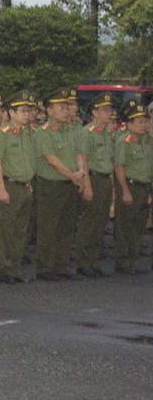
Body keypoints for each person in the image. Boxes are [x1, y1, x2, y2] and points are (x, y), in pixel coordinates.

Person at [33, 88, 88, 281]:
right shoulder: (43, 132)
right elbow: (51, 159)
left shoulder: (72, 131)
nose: (66, 110)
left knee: (66, 227)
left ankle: (60, 265)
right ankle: (44, 267)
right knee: (49, 227)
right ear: (50, 110)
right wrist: (73, 175)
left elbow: (79, 154)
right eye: (61, 107)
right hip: (51, 185)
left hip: (70, 184)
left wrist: (80, 172)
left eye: (67, 107)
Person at [0, 92, 37, 283]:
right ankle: (4, 269)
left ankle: (15, 270)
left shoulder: (27, 134)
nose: (27, 114)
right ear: (11, 112)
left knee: (20, 231)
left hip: (26, 186)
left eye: (28, 110)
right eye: (22, 111)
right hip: (10, 185)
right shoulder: (3, 134)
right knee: (5, 231)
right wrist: (1, 189)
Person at [76, 92, 115, 277]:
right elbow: (83, 160)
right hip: (93, 179)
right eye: (105, 110)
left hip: (105, 180)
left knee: (100, 222)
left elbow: (110, 162)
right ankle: (83, 262)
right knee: (89, 223)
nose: (109, 113)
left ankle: (92, 260)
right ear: (94, 113)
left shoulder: (107, 134)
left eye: (110, 109)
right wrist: (87, 186)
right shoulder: (87, 133)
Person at [112, 102, 151, 275]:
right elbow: (119, 167)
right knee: (125, 225)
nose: (144, 125)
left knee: (138, 226)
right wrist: (125, 190)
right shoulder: (124, 142)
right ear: (129, 124)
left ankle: (132, 260)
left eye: (145, 121)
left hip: (144, 187)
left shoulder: (145, 142)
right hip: (130, 186)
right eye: (139, 122)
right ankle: (122, 261)